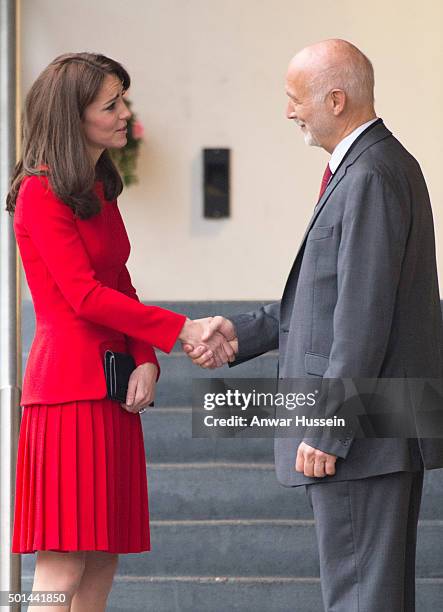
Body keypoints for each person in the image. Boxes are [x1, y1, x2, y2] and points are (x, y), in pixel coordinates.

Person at [186, 39, 443, 611]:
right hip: (376, 426)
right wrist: (240, 334)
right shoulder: (369, 166)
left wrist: (329, 429)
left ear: (335, 98)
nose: (289, 112)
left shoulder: (371, 173)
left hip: (362, 434)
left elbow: (362, 319)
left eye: (294, 98)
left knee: (358, 600)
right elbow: (332, 299)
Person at [6, 52, 234, 612]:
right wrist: (180, 329)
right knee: (63, 559)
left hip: (111, 389)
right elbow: (82, 295)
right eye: (111, 105)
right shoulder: (40, 192)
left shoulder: (98, 187)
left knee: (103, 555)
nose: (125, 113)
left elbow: (120, 282)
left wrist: (146, 357)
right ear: (71, 117)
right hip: (65, 394)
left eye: (123, 100)